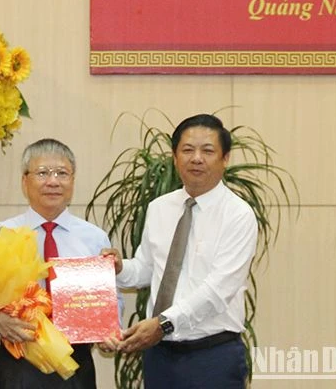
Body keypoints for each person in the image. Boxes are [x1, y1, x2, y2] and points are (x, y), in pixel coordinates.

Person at [101, 113, 259, 388]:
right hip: (160, 356)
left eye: (207, 151)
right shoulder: (159, 208)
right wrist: (120, 268)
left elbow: (218, 291)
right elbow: (148, 268)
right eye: (187, 150)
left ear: (225, 159)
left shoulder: (238, 215)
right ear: (175, 158)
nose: (196, 158)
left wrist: (163, 323)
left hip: (213, 357)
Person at [0, 138, 120, 389]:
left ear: (72, 181)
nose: (53, 181)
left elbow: (111, 299)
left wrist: (108, 331)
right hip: (18, 361)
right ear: (24, 181)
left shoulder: (94, 238)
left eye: (62, 173)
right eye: (42, 173)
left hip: (76, 362)